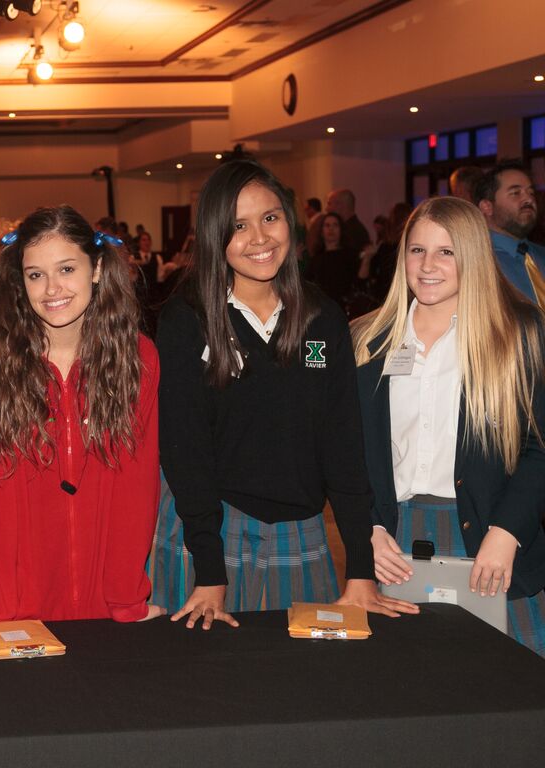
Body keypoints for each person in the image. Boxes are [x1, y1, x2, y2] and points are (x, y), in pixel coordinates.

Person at [154, 158, 415, 629]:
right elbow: (184, 452)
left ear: (290, 223)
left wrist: (360, 569)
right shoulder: (187, 319)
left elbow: (343, 446)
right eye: (239, 225)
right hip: (212, 533)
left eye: (270, 218)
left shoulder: (321, 317)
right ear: (215, 234)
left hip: (301, 533)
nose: (260, 238)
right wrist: (210, 573)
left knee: (302, 689)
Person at [353, 196, 545, 656]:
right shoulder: (366, 339)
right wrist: (367, 528)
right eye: (417, 250)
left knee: (509, 694)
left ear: (472, 256)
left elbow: (538, 448)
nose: (428, 265)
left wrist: (508, 532)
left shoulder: (519, 333)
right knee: (411, 690)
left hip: (490, 532)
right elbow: (347, 450)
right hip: (394, 540)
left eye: (446, 251)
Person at [0, 205, 162, 623]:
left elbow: (137, 484)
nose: (52, 288)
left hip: (106, 596)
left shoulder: (138, 357)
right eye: (36, 274)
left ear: (96, 268)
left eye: (67, 269)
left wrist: (126, 598)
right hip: (24, 602)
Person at [476, 160, 545, 307]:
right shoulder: (477, 263)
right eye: (515, 193)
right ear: (487, 207)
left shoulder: (541, 255)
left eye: (531, 192)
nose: (528, 199)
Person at [304, 211, 360, 312]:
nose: (331, 229)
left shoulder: (350, 254)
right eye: (327, 225)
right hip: (323, 310)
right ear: (321, 232)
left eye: (335, 225)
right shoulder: (316, 258)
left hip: (347, 309)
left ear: (341, 230)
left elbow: (359, 282)